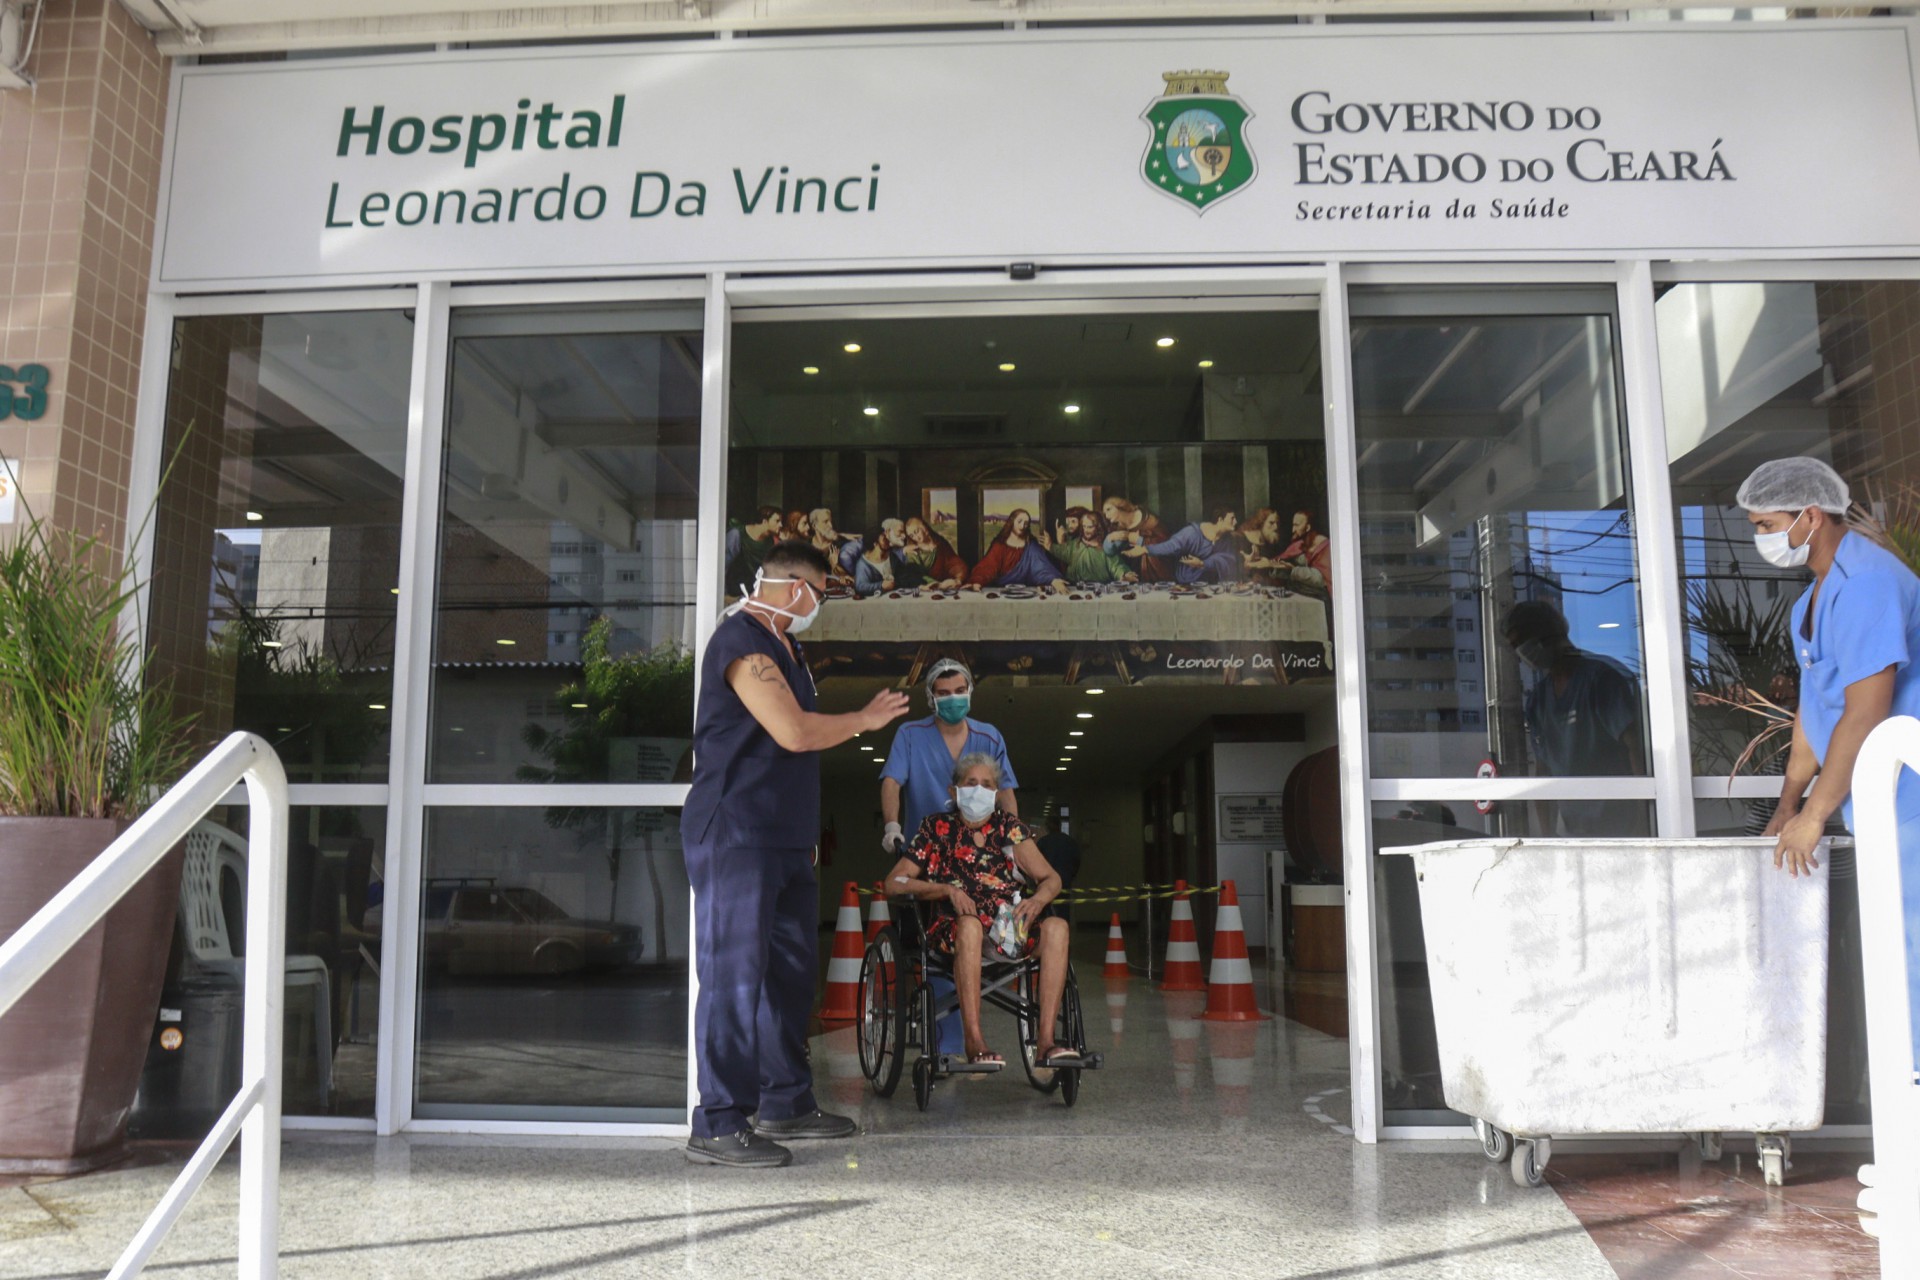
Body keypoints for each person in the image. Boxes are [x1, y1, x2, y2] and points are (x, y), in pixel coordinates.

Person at [680, 541, 910, 1167]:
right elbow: (794, 732)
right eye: (818, 592)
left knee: (785, 977)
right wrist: (863, 720)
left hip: (783, 840)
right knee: (733, 975)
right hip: (736, 834)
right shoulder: (741, 642)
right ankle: (718, 1122)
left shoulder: (790, 650)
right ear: (789, 586)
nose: (819, 605)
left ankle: (785, 1101)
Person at [1738, 458, 1920, 1071]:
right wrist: (1788, 805)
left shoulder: (1868, 582)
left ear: (1811, 516)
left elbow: (1866, 711)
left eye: (1767, 524)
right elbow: (1814, 717)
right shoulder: (1810, 604)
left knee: (1914, 948)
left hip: (1911, 799)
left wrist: (1816, 813)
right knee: (1893, 952)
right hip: (1878, 805)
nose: (1761, 538)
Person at [884, 753, 1077, 1069]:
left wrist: (1038, 901)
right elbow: (894, 883)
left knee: (1057, 927)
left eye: (987, 784)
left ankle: (1046, 1043)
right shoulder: (936, 828)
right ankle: (974, 1040)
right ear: (953, 790)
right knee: (971, 926)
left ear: (997, 792)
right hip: (954, 928)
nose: (979, 790)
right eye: (970, 783)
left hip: (1008, 928)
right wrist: (946, 889)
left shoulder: (1009, 829)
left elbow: (1051, 878)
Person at [879, 657, 1020, 1058]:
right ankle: (951, 1042)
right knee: (937, 942)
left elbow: (1005, 788)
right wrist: (892, 828)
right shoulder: (911, 735)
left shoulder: (988, 736)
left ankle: (965, 1037)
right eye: (944, 694)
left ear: (970, 691)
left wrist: (1012, 840)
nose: (953, 699)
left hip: (981, 860)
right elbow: (892, 780)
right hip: (930, 856)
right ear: (931, 698)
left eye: (959, 691)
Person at [1501, 600, 1648, 837]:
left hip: (1620, 823)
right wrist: (1548, 837)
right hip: (1575, 829)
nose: (1521, 654)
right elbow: (1544, 771)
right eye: (1514, 647)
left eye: (1522, 643)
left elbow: (1636, 749)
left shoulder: (1600, 680)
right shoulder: (1539, 700)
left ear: (1548, 633)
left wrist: (1644, 821)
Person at [1125, 507, 1240, 584]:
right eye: (1232, 518)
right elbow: (1171, 546)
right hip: (1188, 583)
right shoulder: (1192, 533)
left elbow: (1229, 559)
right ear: (1220, 520)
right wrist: (1146, 549)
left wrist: (1202, 563)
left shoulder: (1227, 538)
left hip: (1212, 585)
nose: (1235, 522)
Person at [966, 509, 1067, 590]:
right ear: (1011, 522)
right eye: (1019, 521)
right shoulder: (1000, 545)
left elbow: (1041, 567)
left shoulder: (1031, 545)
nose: (1023, 525)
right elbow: (988, 567)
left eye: (1026, 523)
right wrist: (977, 581)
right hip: (1002, 591)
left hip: (1027, 592)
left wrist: (1053, 580)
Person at [1050, 507, 1133, 585]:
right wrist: (1049, 545)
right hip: (1074, 588)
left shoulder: (1106, 548)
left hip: (1099, 589)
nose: (1086, 530)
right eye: (1084, 526)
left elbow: (1117, 566)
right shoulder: (1076, 544)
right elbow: (1061, 551)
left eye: (1090, 527)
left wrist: (1124, 575)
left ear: (1098, 528)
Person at [1102, 496, 1172, 582]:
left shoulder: (1149, 520)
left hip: (1153, 568)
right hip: (1132, 569)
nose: (1106, 515)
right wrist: (1110, 538)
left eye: (1109, 509)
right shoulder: (1118, 526)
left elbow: (1166, 542)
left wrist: (1139, 540)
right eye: (1105, 512)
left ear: (1120, 506)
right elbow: (1109, 552)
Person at [901, 515, 968, 588]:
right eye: (911, 536)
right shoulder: (913, 551)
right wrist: (936, 584)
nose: (916, 537)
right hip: (927, 586)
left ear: (924, 528)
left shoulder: (939, 543)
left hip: (947, 585)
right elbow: (914, 573)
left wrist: (958, 579)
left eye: (916, 532)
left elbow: (954, 562)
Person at [1278, 508, 1333, 598]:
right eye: (1293, 525)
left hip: (1319, 599)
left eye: (1297, 525)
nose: (1293, 530)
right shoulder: (1298, 545)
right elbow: (1280, 559)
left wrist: (1293, 570)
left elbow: (1322, 579)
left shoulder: (1325, 547)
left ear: (1308, 527)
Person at [725, 506, 782, 590]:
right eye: (777, 521)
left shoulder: (773, 542)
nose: (781, 525)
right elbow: (723, 567)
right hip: (733, 590)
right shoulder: (736, 535)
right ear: (765, 522)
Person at [807, 507, 857, 584]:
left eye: (830, 521)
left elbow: (852, 576)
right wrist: (831, 566)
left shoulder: (839, 545)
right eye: (825, 522)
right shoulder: (806, 546)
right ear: (814, 526)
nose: (830, 525)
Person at [853, 525, 896, 597]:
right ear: (875, 544)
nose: (888, 540)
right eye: (884, 539)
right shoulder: (863, 564)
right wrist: (881, 585)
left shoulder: (892, 556)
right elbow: (860, 587)